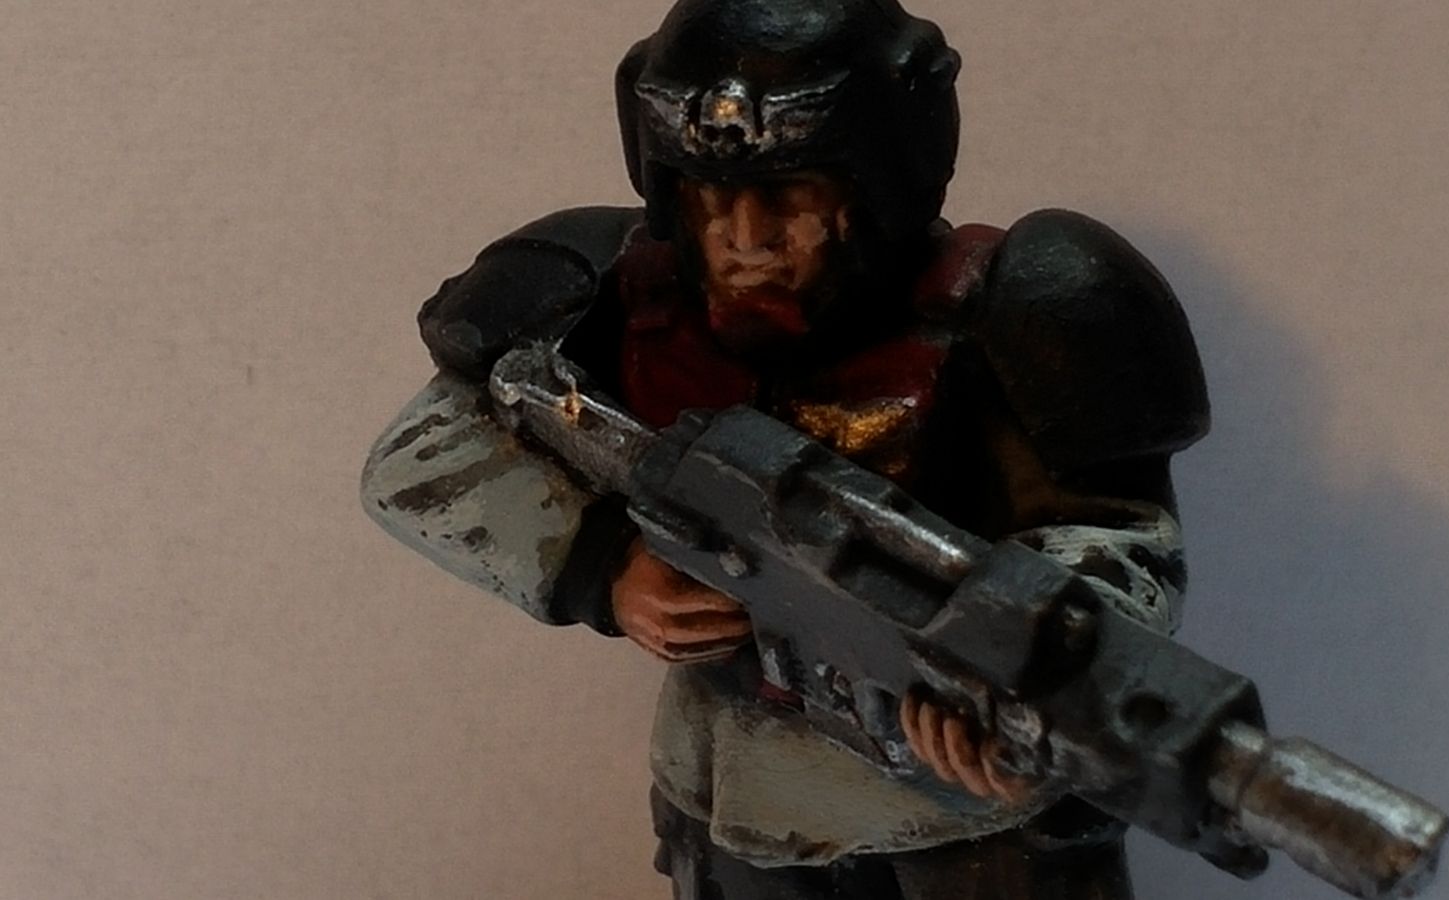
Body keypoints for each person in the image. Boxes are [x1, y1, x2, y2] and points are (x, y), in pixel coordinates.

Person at [362, 1, 1209, 896]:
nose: (746, 237)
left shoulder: (1016, 307)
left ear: (878, 183)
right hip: (743, 798)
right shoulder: (614, 292)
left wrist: (1016, 672)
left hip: (970, 820)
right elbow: (420, 458)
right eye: (708, 193)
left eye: (792, 192)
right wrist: (602, 564)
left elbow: (1122, 543)